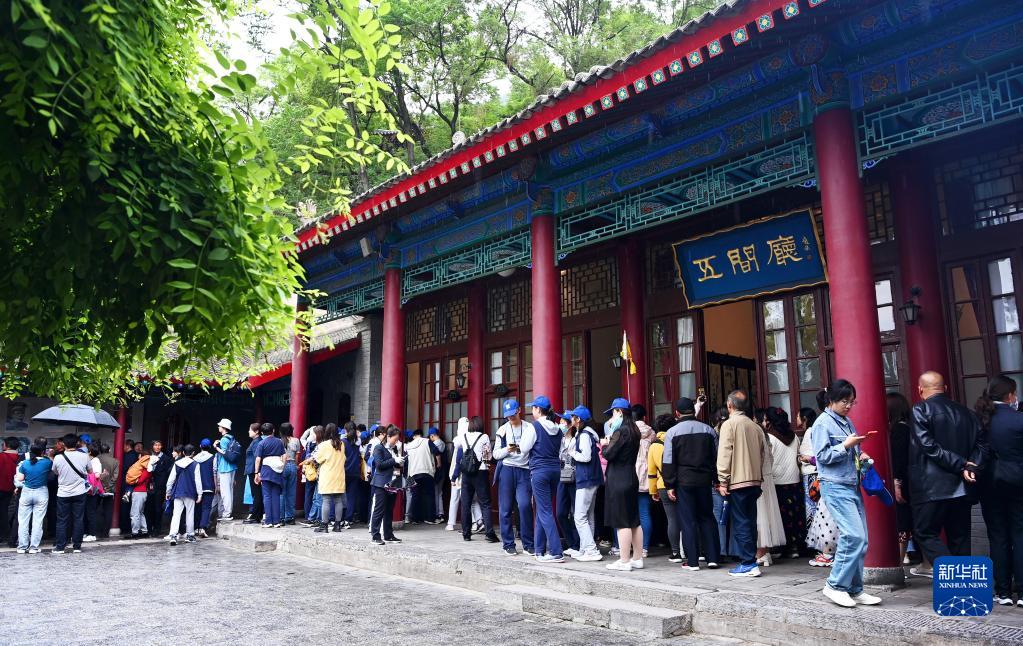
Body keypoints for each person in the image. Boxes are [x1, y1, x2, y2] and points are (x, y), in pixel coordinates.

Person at [812, 379, 882, 608]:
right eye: (845, 401)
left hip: (851, 484)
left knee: (862, 540)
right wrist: (846, 446)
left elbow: (852, 449)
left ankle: (854, 589)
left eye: (852, 401)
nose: (849, 406)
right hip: (834, 485)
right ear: (831, 400)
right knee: (854, 536)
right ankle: (835, 585)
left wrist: (860, 456)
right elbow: (822, 457)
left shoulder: (846, 421)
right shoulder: (822, 423)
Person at [910, 371, 987, 576]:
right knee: (960, 538)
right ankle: (962, 586)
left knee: (924, 532)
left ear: (920, 390)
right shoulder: (967, 412)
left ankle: (952, 574)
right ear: (945, 388)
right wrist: (971, 466)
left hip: (932, 487)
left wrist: (962, 465)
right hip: (963, 487)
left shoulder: (920, 409)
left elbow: (929, 446)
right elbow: (982, 445)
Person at [975, 375, 1023, 607]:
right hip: (1018, 482)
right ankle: (1022, 592)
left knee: (997, 535)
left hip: (989, 484)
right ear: (1010, 395)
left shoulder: (981, 420)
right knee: (1020, 534)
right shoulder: (1019, 420)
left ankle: (1002, 591)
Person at [663, 397, 721, 571]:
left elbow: (668, 461)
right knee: (707, 517)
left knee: (688, 520)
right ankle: (713, 558)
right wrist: (717, 480)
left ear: (677, 413)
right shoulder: (708, 430)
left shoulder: (672, 432)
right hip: (704, 481)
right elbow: (716, 458)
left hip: (684, 481)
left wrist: (669, 485)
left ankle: (693, 561)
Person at [716, 390, 764, 577]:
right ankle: (751, 560)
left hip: (738, 481)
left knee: (741, 522)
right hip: (754, 480)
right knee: (750, 521)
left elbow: (724, 454)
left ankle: (748, 563)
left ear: (730, 405)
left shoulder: (729, 425)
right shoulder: (755, 426)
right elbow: (763, 455)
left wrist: (723, 480)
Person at [601, 398, 642, 571]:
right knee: (634, 521)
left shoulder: (621, 431)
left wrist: (604, 444)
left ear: (619, 412)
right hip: (631, 476)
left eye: (612, 413)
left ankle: (624, 561)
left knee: (622, 521)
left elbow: (609, 454)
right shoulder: (634, 430)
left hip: (618, 479)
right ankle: (637, 558)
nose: (611, 418)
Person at [523, 396, 563, 561]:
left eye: (533, 408)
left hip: (539, 471)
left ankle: (556, 551)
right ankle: (539, 550)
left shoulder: (534, 427)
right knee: (542, 508)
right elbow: (561, 450)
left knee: (545, 511)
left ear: (538, 410)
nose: (532, 410)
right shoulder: (558, 428)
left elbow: (524, 448)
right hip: (555, 471)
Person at [493, 399, 534, 555]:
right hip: (507, 469)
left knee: (525, 505)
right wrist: (508, 449)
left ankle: (528, 543)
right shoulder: (502, 430)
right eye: (508, 415)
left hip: (524, 470)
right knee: (505, 508)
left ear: (519, 410)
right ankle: (508, 544)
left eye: (513, 414)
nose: (511, 417)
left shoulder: (529, 428)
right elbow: (496, 454)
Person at [563, 406, 602, 562]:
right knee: (588, 516)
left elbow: (585, 457)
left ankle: (591, 550)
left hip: (586, 478)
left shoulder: (584, 435)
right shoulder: (587, 434)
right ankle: (586, 549)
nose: (571, 419)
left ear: (578, 419)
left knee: (579, 517)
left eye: (573, 417)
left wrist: (571, 452)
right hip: (592, 478)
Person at [798, 406, 836, 567]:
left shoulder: (811, 431)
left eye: (798, 417)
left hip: (814, 476)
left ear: (805, 419)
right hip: (821, 475)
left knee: (818, 514)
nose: (797, 420)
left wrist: (807, 459)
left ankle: (825, 551)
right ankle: (826, 551)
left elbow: (818, 456)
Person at [765, 407, 804, 561]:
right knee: (795, 515)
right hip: (794, 480)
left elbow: (767, 459)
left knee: (780, 517)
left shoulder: (769, 437)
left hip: (777, 481)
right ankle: (795, 547)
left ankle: (781, 547)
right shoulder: (794, 436)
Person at [454, 416, 499, 544]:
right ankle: (489, 534)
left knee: (466, 504)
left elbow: (456, 444)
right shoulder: (484, 437)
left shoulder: (463, 436)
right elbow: (488, 455)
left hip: (466, 473)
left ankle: (466, 533)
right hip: (481, 472)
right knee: (485, 503)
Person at [887, 392, 917, 567]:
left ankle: (897, 564)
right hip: (914, 481)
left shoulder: (899, 430)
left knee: (902, 524)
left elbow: (898, 460)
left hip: (903, 482)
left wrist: (896, 483)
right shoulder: (911, 427)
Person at [51, 434, 93, 553]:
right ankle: (77, 546)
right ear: (77, 443)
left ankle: (60, 546)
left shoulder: (58, 457)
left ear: (64, 444)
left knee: (62, 520)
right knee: (78, 518)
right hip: (79, 492)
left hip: (63, 493)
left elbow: (55, 471)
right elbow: (90, 471)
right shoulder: (84, 456)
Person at [648, 414, 682, 563]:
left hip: (663, 485)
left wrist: (653, 491)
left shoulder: (654, 445)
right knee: (688, 516)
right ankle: (695, 550)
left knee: (672, 519)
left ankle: (675, 552)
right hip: (681, 483)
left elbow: (651, 471)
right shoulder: (677, 438)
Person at [446, 417, 483, 533]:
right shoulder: (473, 437)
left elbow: (457, 461)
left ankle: (452, 523)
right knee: (471, 499)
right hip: (470, 472)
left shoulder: (458, 440)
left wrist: (453, 476)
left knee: (459, 499)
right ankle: (477, 521)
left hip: (458, 473)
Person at [369, 426, 404, 545]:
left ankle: (388, 535)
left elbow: (393, 465)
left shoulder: (394, 449)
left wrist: (400, 462)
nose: (396, 442)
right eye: (395, 439)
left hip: (392, 483)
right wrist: (394, 460)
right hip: (381, 483)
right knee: (379, 510)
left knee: (389, 510)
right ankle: (375, 536)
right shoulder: (378, 448)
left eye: (398, 440)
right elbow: (379, 464)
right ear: (388, 437)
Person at [15, 444, 52, 554]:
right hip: (41, 492)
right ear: (43, 452)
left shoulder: (25, 463)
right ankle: (33, 547)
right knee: (38, 521)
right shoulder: (47, 462)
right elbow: (54, 471)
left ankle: (22, 547)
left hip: (26, 492)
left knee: (23, 521)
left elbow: (20, 478)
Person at [311, 422, 346, 533]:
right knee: (338, 500)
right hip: (339, 475)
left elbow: (317, 459)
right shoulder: (341, 444)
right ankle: (337, 525)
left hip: (327, 476)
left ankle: (324, 526)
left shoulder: (324, 445)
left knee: (326, 500)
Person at [165, 445, 203, 545]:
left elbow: (171, 480)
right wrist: (200, 494)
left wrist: (168, 492)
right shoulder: (195, 464)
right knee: (190, 514)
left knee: (176, 514)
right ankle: (190, 535)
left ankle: (173, 536)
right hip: (190, 492)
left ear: (183, 453)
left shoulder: (177, 463)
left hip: (178, 492)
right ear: (193, 453)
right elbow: (198, 480)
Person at [632, 404, 656, 559]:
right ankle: (645, 548)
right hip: (646, 475)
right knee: (645, 513)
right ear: (645, 417)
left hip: (630, 475)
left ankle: (627, 546)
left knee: (628, 513)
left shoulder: (628, 432)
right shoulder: (651, 433)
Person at [254, 422, 287, 528]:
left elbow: (258, 459)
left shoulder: (262, 443)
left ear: (262, 433)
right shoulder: (279, 442)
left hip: (266, 470)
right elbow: (284, 456)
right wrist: (282, 466)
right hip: (277, 471)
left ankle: (268, 521)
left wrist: (256, 473)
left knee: (267, 496)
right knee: (276, 496)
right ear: (273, 430)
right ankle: (276, 522)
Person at [557, 411, 579, 557]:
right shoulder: (558, 439)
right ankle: (571, 542)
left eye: (564, 422)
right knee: (560, 513)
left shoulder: (577, 439)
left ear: (570, 424)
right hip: (561, 477)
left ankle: (577, 545)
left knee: (576, 513)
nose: (561, 425)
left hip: (574, 478)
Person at [405, 428, 436, 524]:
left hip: (413, 473)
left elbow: (406, 462)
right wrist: (437, 464)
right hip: (427, 471)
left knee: (415, 495)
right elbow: (437, 452)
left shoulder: (408, 446)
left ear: (414, 436)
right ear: (421, 434)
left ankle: (415, 518)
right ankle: (429, 518)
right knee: (429, 495)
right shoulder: (427, 441)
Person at [213, 419, 239, 521]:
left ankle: (226, 513)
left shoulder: (224, 439)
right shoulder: (230, 437)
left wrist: (215, 447)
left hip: (225, 467)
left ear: (223, 428)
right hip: (232, 467)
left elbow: (224, 452)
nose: (218, 427)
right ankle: (228, 512)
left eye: (220, 426)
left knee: (225, 492)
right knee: (230, 491)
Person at [145, 440, 172, 537]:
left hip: (160, 486)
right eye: (155, 445)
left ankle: (157, 529)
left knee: (158, 508)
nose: (157, 447)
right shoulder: (148, 457)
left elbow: (168, 474)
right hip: (149, 485)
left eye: (159, 445)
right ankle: (148, 528)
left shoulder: (166, 458)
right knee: (148, 508)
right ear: (152, 446)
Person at [341, 423, 365, 525]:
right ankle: (348, 519)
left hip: (344, 471)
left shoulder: (343, 442)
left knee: (340, 496)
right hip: (355, 472)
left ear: (345, 430)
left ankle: (340, 518)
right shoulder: (358, 442)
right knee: (351, 497)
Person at [193, 440, 216, 538]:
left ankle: (196, 528)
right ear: (210, 447)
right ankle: (203, 528)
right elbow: (214, 472)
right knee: (206, 508)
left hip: (196, 487)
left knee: (197, 508)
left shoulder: (194, 458)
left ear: (200, 446)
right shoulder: (213, 457)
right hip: (208, 486)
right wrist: (216, 485)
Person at [279, 423, 300, 525]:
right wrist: (296, 465)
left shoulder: (279, 441)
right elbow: (297, 456)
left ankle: (281, 518)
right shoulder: (296, 440)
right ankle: (290, 517)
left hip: (282, 466)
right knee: (291, 492)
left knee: (281, 492)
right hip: (292, 465)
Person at [96, 443, 118, 538]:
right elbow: (115, 476)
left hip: (97, 489)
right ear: (109, 450)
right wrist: (108, 486)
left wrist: (101, 486)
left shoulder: (96, 459)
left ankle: (96, 531)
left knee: (96, 510)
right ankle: (105, 533)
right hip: (110, 489)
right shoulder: (115, 461)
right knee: (108, 511)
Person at [243, 423, 263, 524]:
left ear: (256, 431)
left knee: (257, 494)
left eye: (250, 430)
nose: (249, 431)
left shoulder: (257, 442)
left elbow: (257, 458)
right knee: (257, 493)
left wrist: (257, 472)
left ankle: (255, 516)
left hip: (253, 470)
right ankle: (257, 515)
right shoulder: (256, 441)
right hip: (253, 470)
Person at [0, 437, 20, 540]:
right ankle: (7, 533)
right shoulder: (20, 457)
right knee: (7, 510)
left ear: (6, 445)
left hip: (1, 487)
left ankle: (3, 533)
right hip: (13, 488)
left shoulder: (1, 456)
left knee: (2, 511)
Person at [129, 452, 151, 538]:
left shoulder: (145, 469)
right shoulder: (148, 468)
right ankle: (144, 531)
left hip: (139, 492)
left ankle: (135, 532)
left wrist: (132, 480)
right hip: (142, 492)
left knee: (135, 513)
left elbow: (140, 481)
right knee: (140, 513)